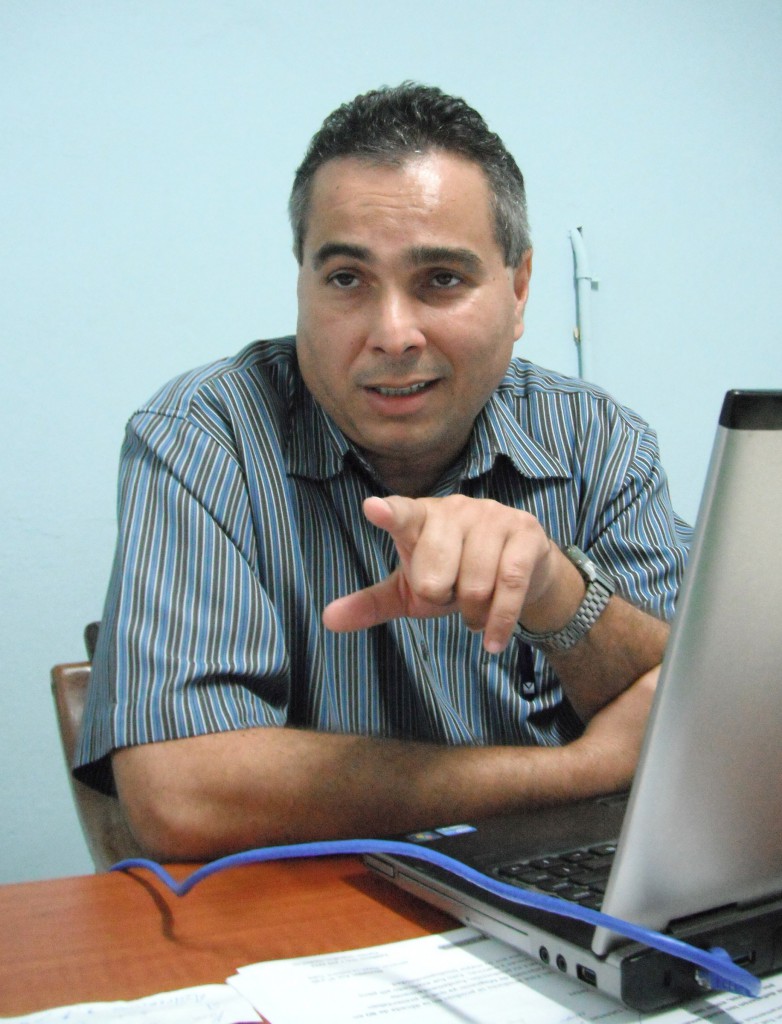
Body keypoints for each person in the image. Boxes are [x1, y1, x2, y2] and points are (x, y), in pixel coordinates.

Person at [75, 83, 690, 862]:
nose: (393, 334)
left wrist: (555, 591)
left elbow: (700, 712)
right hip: (319, 915)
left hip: (581, 900)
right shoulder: (204, 438)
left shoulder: (600, 441)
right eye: (346, 279)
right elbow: (181, 795)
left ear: (519, 289)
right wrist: (578, 771)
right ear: (302, 282)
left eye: (442, 279)